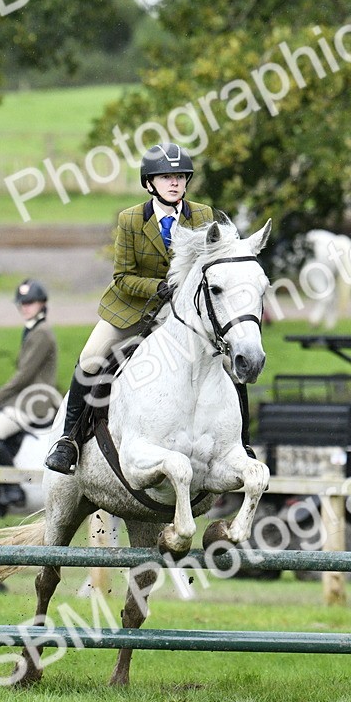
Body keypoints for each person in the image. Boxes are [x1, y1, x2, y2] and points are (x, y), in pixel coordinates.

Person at [44, 142, 215, 474]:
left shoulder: (202, 215)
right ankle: (68, 441)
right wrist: (160, 287)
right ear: (150, 183)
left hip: (182, 312)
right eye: (166, 177)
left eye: (180, 177)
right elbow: (123, 277)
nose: (175, 183)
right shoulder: (131, 219)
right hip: (132, 308)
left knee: (225, 354)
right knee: (92, 357)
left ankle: (241, 442)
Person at [0, 279, 59, 506]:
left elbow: (24, 374)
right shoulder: (32, 329)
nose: (25, 307)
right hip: (25, 397)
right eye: (22, 303)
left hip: (35, 402)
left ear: (42, 303)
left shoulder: (41, 333)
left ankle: (14, 488)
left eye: (30, 302)